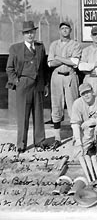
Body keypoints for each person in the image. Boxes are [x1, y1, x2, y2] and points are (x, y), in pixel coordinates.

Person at [6, 21, 49, 153]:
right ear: (23, 35)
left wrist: (45, 84)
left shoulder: (40, 47)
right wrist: (17, 81)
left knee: (38, 114)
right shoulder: (15, 48)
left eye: (32, 32)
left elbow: (44, 68)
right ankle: (21, 144)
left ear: (35, 32)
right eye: (27, 33)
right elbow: (9, 68)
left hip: (38, 85)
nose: (30, 35)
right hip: (23, 85)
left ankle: (40, 141)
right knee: (23, 116)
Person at [48, 21, 82, 149]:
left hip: (70, 76)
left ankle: (76, 137)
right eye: (62, 28)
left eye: (67, 28)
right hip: (57, 77)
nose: (65, 31)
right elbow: (50, 63)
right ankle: (57, 137)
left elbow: (75, 62)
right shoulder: (54, 45)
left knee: (73, 106)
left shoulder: (75, 44)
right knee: (56, 106)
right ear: (59, 31)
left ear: (70, 30)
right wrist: (65, 59)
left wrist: (59, 58)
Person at [70, 83, 97, 157]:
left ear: (92, 91)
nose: (86, 95)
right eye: (83, 93)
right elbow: (75, 125)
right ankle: (91, 148)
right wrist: (78, 143)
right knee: (77, 155)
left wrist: (93, 121)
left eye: (88, 92)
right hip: (85, 133)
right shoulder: (77, 103)